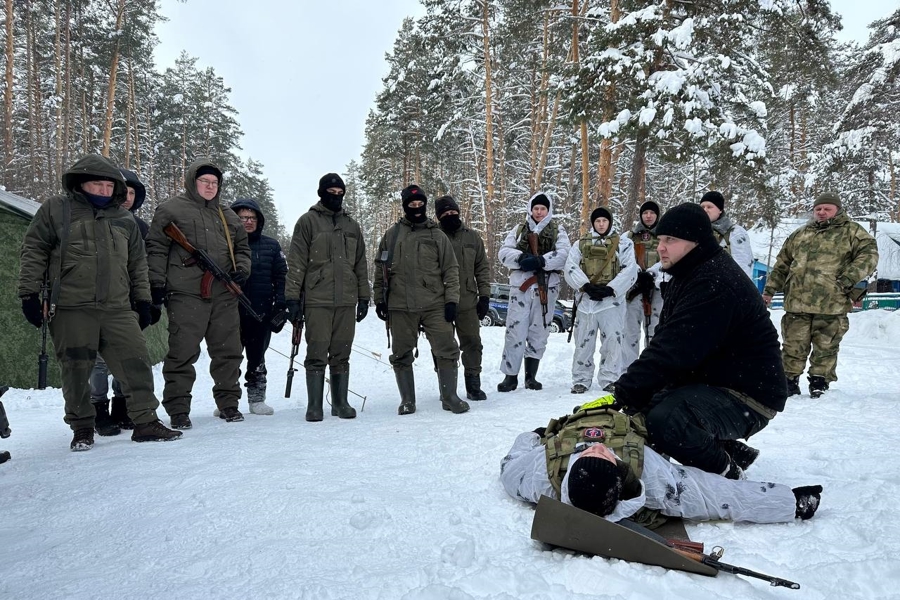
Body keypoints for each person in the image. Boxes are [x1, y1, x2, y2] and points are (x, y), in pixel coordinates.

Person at [17, 154, 182, 450]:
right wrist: (28, 294)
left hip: (117, 308)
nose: (105, 191)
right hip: (71, 306)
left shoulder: (124, 218)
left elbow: (138, 264)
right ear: (81, 183)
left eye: (109, 186)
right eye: (98, 184)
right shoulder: (56, 209)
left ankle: (145, 421)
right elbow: (34, 251)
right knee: (76, 369)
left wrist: (143, 300)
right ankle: (82, 428)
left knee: (136, 362)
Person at [612, 203, 787, 479]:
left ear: (696, 242)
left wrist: (620, 394)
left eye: (671, 240)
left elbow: (675, 350)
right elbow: (668, 342)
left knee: (667, 420)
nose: (661, 248)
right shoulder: (689, 272)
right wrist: (634, 397)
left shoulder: (714, 281)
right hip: (717, 378)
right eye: (660, 240)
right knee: (644, 407)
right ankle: (723, 448)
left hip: (750, 395)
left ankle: (728, 473)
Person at [499, 403, 823, 523]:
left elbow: (511, 459)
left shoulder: (533, 475)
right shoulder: (653, 477)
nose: (595, 448)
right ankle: (721, 447)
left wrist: (533, 435)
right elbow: (715, 495)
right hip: (630, 424)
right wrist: (789, 502)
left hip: (590, 412)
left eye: (589, 454)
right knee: (669, 416)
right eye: (602, 457)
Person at [145, 158, 251, 429]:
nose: (210, 186)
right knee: (182, 353)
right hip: (185, 294)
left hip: (224, 295)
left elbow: (242, 248)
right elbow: (156, 247)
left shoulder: (227, 215)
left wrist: (241, 269)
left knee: (228, 352)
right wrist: (156, 284)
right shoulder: (171, 210)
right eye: (205, 181)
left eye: (215, 182)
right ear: (193, 181)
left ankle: (229, 403)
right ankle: (178, 408)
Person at [762, 192, 878, 398]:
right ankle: (789, 381)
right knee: (792, 345)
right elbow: (782, 264)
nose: (822, 212)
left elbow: (869, 255)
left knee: (826, 346)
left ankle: (819, 382)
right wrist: (769, 291)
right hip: (797, 303)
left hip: (832, 303)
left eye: (827, 209)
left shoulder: (852, 232)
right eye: (818, 209)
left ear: (837, 210)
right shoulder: (800, 234)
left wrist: (848, 278)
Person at [373, 184, 468, 415]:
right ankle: (407, 400)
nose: (416, 208)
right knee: (401, 353)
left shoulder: (437, 235)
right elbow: (380, 269)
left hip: (435, 304)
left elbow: (451, 270)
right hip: (400, 305)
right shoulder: (392, 235)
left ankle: (450, 396)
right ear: (405, 206)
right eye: (411, 205)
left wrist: (451, 301)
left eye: (420, 204)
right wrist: (380, 299)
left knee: (447, 349)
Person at [285, 173, 369, 421]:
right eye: (330, 192)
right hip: (317, 299)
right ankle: (314, 405)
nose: (335, 196)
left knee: (342, 351)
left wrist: (364, 296)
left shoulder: (352, 225)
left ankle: (340, 403)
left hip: (346, 300)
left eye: (339, 192)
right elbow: (297, 262)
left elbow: (360, 264)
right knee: (317, 350)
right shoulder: (307, 222)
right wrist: (291, 297)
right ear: (321, 193)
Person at [89, 168, 151, 434]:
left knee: (129, 357)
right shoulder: (94, 219)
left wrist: (148, 300)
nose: (126, 196)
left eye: (132, 192)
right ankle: (98, 410)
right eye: (122, 190)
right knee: (100, 360)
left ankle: (122, 407)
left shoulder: (140, 227)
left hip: (130, 302)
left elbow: (144, 266)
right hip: (97, 300)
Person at [497, 192, 571, 392]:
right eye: (536, 208)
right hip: (521, 285)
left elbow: (565, 253)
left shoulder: (558, 230)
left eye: (543, 209)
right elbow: (503, 252)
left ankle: (531, 376)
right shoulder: (520, 229)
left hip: (546, 286)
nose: (539, 212)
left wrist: (542, 261)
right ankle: (510, 376)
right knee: (515, 330)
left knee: (539, 331)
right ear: (531, 209)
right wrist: (521, 258)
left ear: (548, 210)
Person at [564, 207, 638, 394]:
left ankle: (609, 378)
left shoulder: (623, 243)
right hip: (586, 301)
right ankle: (581, 379)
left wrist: (611, 289)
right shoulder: (581, 243)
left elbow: (630, 269)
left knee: (613, 341)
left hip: (611, 302)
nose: (601, 224)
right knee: (582, 342)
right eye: (597, 221)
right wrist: (586, 286)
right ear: (593, 223)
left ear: (610, 222)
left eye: (604, 220)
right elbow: (570, 266)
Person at [229, 197, 287, 416]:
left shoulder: (271, 246)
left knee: (257, 357)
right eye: (242, 217)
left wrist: (280, 304)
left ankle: (256, 399)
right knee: (229, 358)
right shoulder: (225, 245)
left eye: (252, 217)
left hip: (260, 311)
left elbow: (281, 276)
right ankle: (227, 399)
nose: (248, 221)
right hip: (230, 311)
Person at [433, 195, 491, 400]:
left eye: (453, 211)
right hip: (440, 301)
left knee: (473, 342)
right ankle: (446, 386)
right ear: (439, 217)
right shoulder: (434, 236)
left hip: (467, 300)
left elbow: (482, 268)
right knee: (443, 346)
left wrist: (484, 296)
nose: (450, 215)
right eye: (445, 213)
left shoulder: (472, 237)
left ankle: (473, 384)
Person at [622, 201, 665, 368]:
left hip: (656, 291)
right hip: (634, 290)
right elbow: (623, 260)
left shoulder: (664, 236)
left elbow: (669, 261)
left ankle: (653, 371)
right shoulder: (630, 236)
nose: (648, 216)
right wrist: (638, 274)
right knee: (629, 334)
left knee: (655, 333)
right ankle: (628, 371)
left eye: (652, 213)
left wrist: (651, 274)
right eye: (645, 213)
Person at [699, 191, 754, 281]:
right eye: (702, 207)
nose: (705, 210)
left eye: (709, 207)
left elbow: (743, 268)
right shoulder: (695, 232)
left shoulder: (735, 233)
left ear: (720, 210)